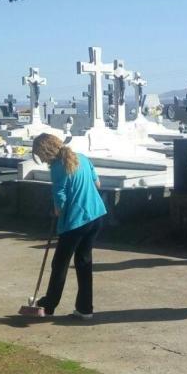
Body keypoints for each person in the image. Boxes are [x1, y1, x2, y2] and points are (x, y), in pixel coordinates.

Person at [32, 133, 107, 319]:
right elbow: (97, 183)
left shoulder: (58, 168)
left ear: (46, 151)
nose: (41, 159)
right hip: (95, 215)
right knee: (83, 262)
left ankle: (49, 305)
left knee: (60, 263)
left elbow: (60, 200)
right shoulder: (82, 158)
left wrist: (56, 211)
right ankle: (85, 308)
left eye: (40, 155)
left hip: (76, 221)